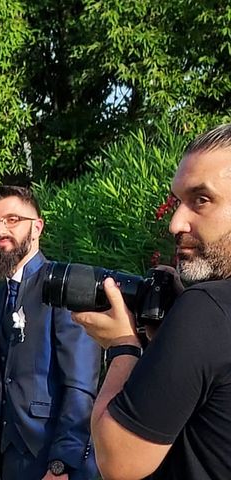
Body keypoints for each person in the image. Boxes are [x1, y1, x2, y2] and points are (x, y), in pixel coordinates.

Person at [72, 125, 231, 480]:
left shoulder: (206, 309)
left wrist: (123, 346)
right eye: (178, 202)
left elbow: (118, 461)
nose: (176, 222)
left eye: (201, 200)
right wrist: (165, 341)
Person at [0, 185, 101, 480]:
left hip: (55, 460)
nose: (0, 230)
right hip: (10, 462)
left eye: (13, 220)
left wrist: (60, 464)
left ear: (37, 227)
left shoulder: (64, 287)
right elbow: (0, 388)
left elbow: (80, 386)